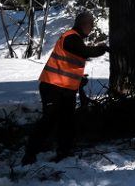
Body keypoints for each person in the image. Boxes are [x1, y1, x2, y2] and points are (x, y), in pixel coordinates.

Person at [21, 11, 108, 165]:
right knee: (49, 120)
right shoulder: (70, 37)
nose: (92, 27)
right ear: (84, 24)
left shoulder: (76, 39)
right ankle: (30, 155)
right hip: (52, 86)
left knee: (67, 121)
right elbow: (84, 52)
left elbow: (69, 63)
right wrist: (101, 49)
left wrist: (79, 80)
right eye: (91, 24)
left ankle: (64, 153)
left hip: (66, 89)